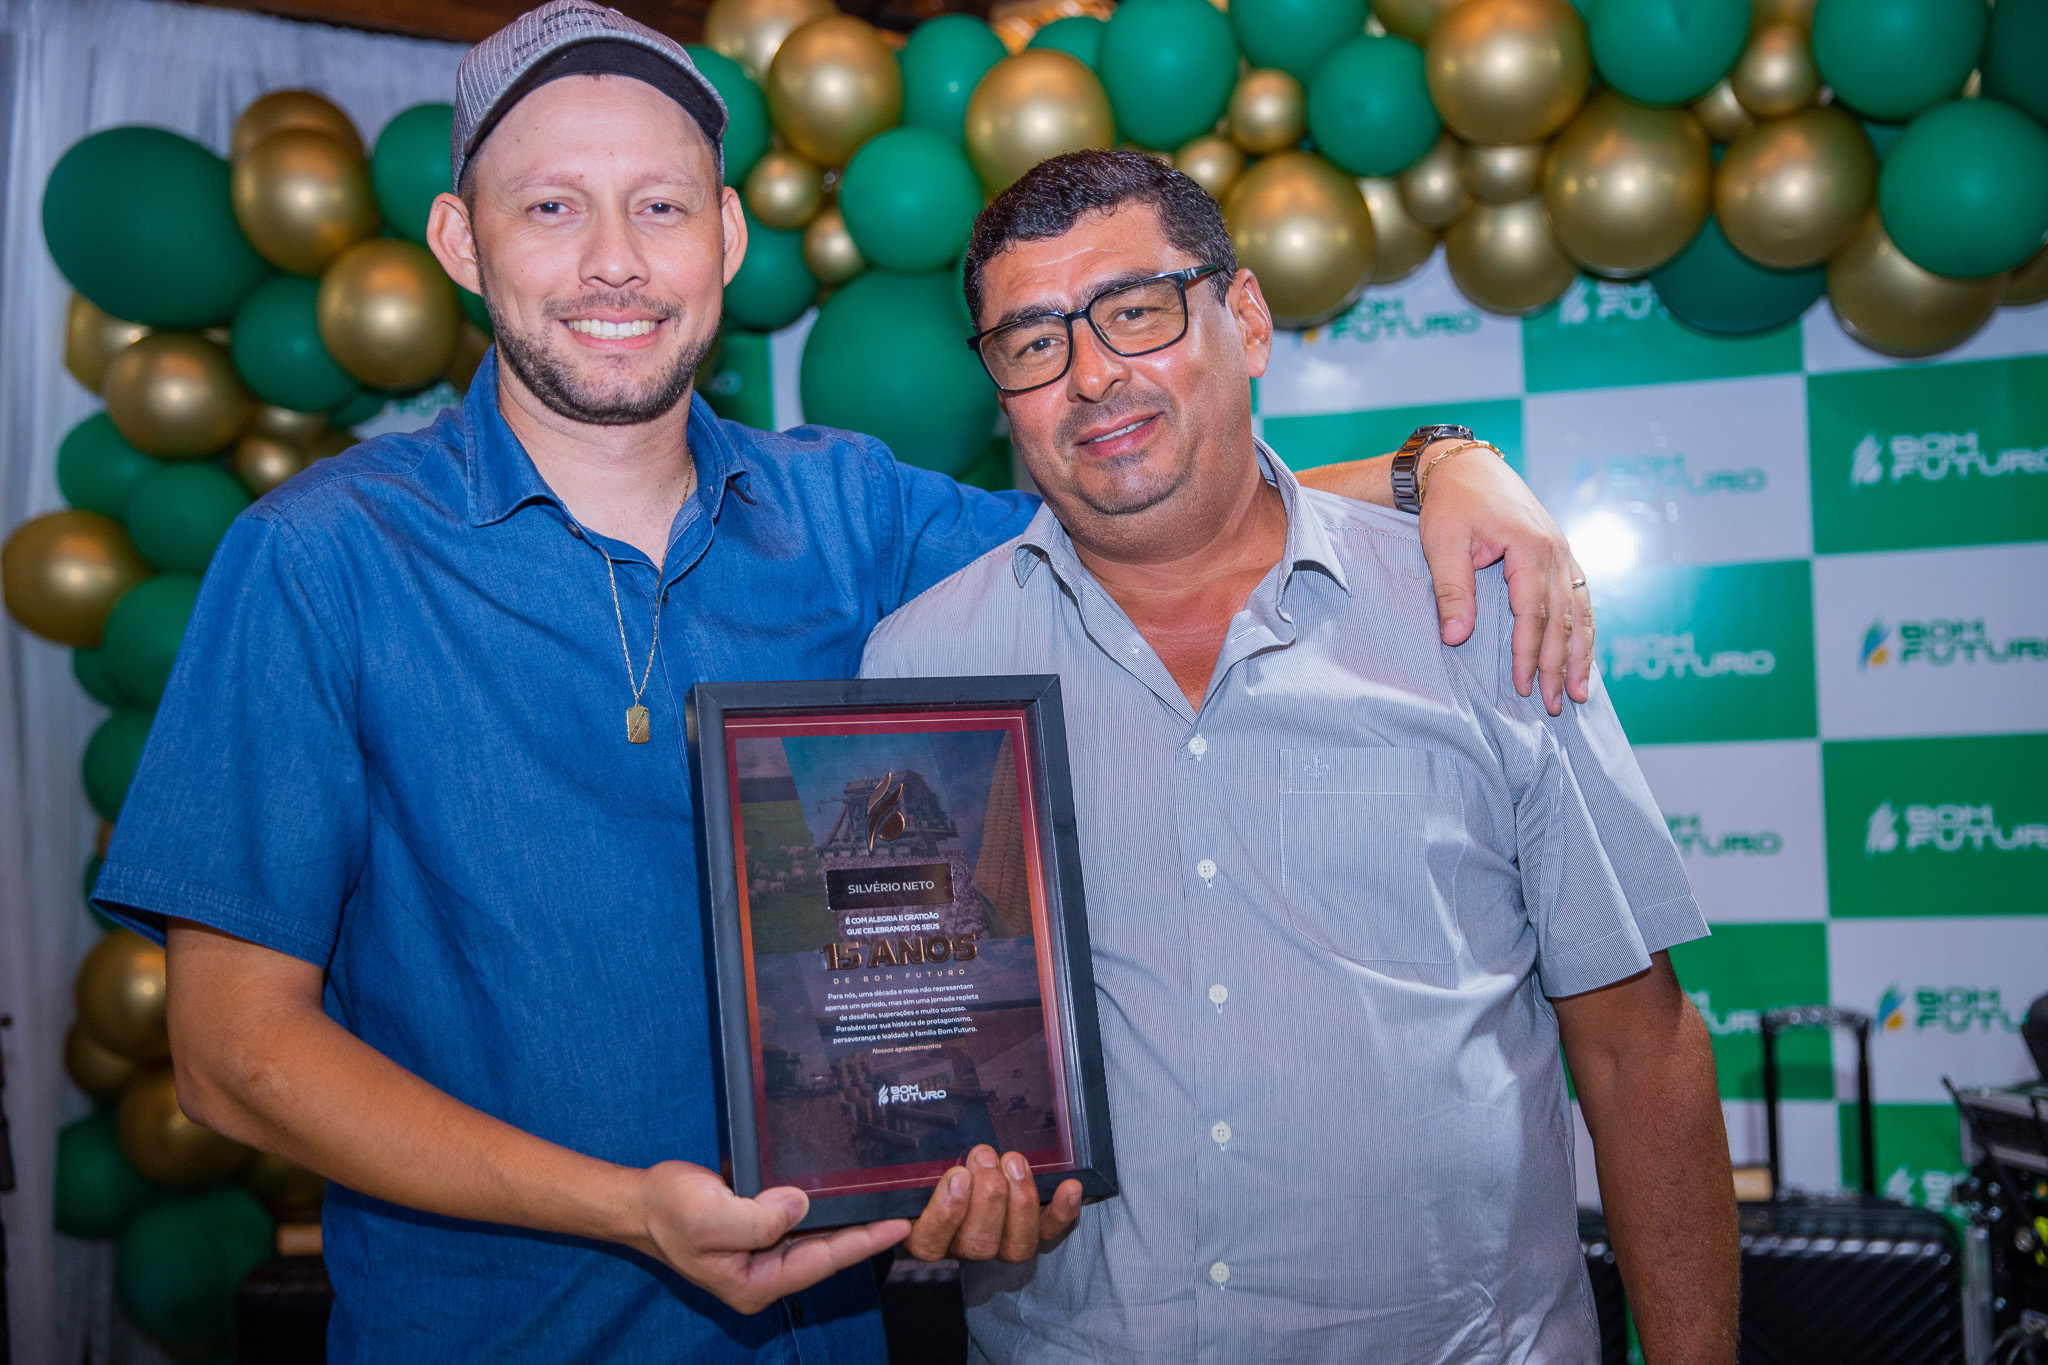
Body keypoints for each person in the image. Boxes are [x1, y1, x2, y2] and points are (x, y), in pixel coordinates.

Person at [92, 5, 1597, 1361]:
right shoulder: (317, 559)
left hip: (829, 1338)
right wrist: (629, 1210)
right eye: (551, 207)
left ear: (725, 237)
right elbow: (231, 1055)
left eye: (659, 206)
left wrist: (1436, 465)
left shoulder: (848, 512)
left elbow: (1153, 509)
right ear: (459, 243)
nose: (614, 260)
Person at [860, 149, 1739, 1364]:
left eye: (1135, 311)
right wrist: (931, 1169)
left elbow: (1638, 1046)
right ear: (999, 389)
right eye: (1033, 343)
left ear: (1248, 320)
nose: (1092, 375)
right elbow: (909, 1038)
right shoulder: (921, 666)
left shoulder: (1477, 610)